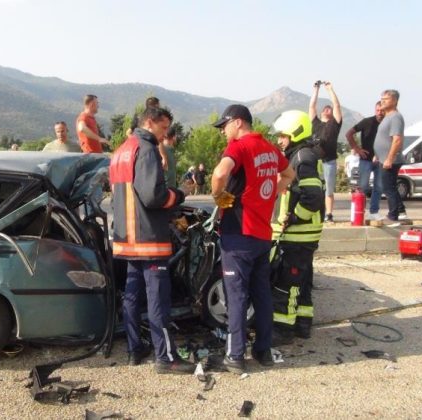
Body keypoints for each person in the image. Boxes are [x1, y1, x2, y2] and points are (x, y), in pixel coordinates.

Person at [109, 106, 193, 375]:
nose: (165, 134)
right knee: (158, 301)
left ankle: (135, 349)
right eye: (163, 127)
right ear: (149, 122)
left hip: (127, 239)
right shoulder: (146, 150)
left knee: (132, 296)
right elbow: (152, 197)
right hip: (148, 239)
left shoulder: (121, 150)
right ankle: (166, 358)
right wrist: (179, 195)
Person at [211, 104, 295, 373]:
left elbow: (220, 173)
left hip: (239, 234)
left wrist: (219, 198)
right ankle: (264, 351)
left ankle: (235, 356)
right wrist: (273, 194)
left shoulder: (239, 146)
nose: (223, 132)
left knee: (236, 297)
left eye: (224, 126)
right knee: (262, 295)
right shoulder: (271, 149)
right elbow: (289, 174)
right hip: (262, 236)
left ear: (238, 123)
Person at [271, 110, 325, 344]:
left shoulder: (302, 158)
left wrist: (294, 218)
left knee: (287, 284)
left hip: (298, 235)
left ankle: (283, 330)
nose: (279, 140)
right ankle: (303, 324)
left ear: (295, 133)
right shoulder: (305, 155)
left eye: (283, 136)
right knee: (302, 283)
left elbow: (313, 197)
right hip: (304, 235)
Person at [309, 81, 342, 223]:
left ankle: (329, 214)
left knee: (328, 189)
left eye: (329, 109)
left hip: (329, 161)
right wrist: (316, 90)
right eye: (325, 108)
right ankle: (315, 213)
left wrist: (330, 90)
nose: (327, 109)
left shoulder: (334, 124)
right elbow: (312, 106)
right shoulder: (316, 123)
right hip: (315, 160)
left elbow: (337, 106)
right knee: (314, 188)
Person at [345, 102, 385, 220]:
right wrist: (357, 148)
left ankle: (374, 212)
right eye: (377, 110)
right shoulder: (367, 122)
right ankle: (359, 211)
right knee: (363, 187)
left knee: (379, 187)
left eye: (382, 110)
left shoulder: (388, 123)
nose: (379, 113)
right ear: (375, 110)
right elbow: (349, 134)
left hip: (381, 160)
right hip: (365, 159)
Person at [374, 89, 407, 225]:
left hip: (390, 159)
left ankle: (393, 216)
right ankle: (401, 211)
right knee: (390, 186)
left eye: (386, 99)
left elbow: (397, 139)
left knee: (388, 188)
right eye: (381, 98)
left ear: (394, 101)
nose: (382, 101)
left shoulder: (395, 117)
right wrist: (378, 155)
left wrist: (389, 158)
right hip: (383, 158)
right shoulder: (387, 116)